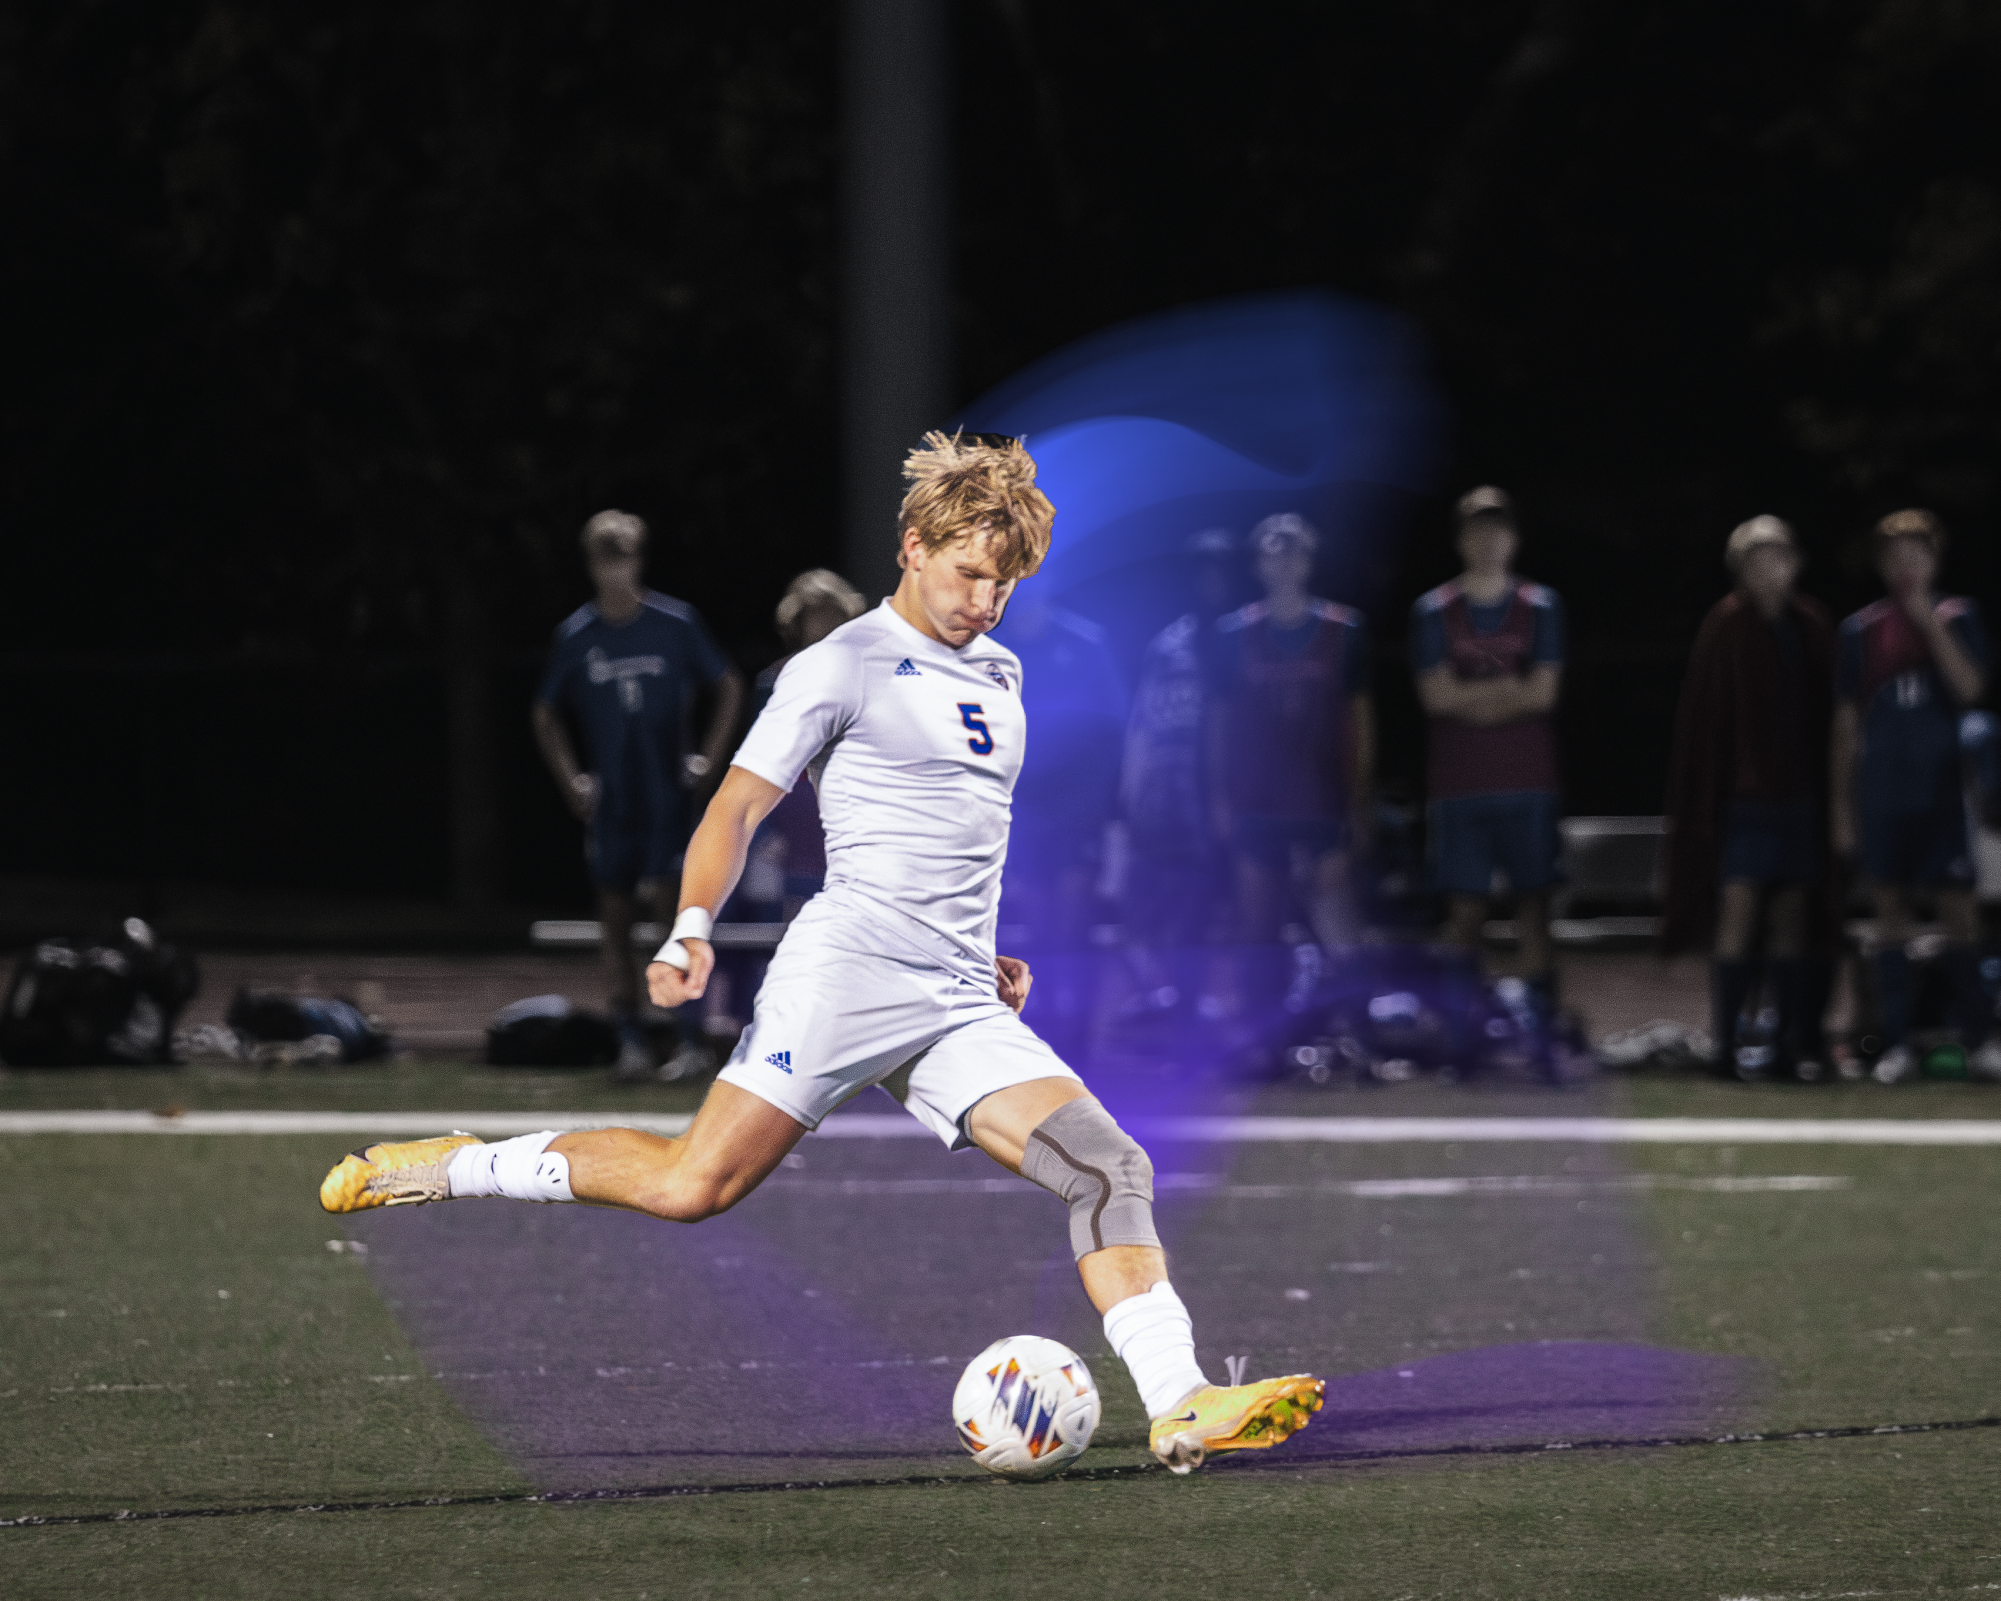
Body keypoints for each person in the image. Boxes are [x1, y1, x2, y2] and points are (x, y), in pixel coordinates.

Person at [322, 432, 1324, 1474]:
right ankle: (449, 1164)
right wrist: (691, 928)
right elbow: (739, 804)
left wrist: (985, 951)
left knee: (1110, 1164)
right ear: (912, 545)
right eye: (969, 571)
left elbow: (956, 824)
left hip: (954, 992)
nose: (986, 598)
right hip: (847, 972)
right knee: (691, 1185)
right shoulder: (840, 662)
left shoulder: (1003, 667)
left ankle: (1182, 1400)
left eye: (1005, 580)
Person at [530, 510, 744, 1074]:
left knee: (673, 915)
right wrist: (572, 778)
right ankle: (630, 1038)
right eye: (605, 556)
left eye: (623, 555)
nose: (615, 568)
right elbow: (546, 712)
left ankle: (688, 1038)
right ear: (592, 565)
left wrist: (708, 759)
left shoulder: (675, 625)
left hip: (666, 796)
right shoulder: (579, 637)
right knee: (615, 918)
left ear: (638, 560)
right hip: (615, 802)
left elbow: (726, 684)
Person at [1661, 516, 1837, 1079]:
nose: (1769, 568)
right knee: (1737, 914)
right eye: (1756, 558)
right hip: (1744, 802)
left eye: (1778, 556)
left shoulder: (1809, 624)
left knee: (1791, 917)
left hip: (1798, 799)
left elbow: (1827, 713)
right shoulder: (1727, 625)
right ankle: (1726, 1043)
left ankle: (1786, 1042)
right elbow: (1706, 721)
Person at [1832, 508, 1997, 1084]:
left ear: (1935, 560)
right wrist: (1843, 808)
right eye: (1895, 555)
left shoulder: (1958, 617)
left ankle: (1980, 1039)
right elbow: (1848, 725)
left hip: (1944, 795)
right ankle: (1896, 1043)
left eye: (1917, 553)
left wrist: (1928, 622)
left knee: (1960, 915)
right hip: (1884, 796)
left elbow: (1972, 689)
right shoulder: (1860, 631)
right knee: (1891, 918)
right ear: (1879, 564)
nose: (1906, 564)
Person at [1208, 513, 1374, 1014]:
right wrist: (1218, 798)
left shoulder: (1344, 630)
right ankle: (1262, 1039)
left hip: (1322, 803)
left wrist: (1360, 803)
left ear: (1308, 562)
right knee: (1258, 929)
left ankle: (1350, 1031)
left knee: (1336, 929)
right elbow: (1218, 725)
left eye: (1294, 553)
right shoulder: (1233, 634)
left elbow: (1362, 725)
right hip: (1257, 804)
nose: (1283, 563)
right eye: (1273, 553)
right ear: (1260, 564)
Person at [1410, 487, 1564, 1006]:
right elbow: (1435, 697)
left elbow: (1543, 694)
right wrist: (1504, 693)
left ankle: (1539, 1027)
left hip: (1527, 784)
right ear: (1459, 540)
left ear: (1514, 539)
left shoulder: (1541, 606)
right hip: (1460, 786)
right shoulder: (1434, 611)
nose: (1488, 540)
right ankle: (1460, 1031)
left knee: (1533, 908)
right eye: (1476, 530)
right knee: (1465, 913)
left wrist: (1471, 697)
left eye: (1498, 529)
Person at [988, 587, 1128, 1058]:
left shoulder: (1087, 644)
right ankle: (1037, 1027)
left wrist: (1104, 808)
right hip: (1016, 812)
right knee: (1029, 925)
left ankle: (1082, 1034)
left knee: (1074, 921)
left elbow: (1113, 731)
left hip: (1077, 812)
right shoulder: (991, 647)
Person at [1117, 529, 1237, 1022]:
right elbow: (1144, 722)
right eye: (1202, 570)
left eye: (1220, 569)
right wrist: (1131, 794)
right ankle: (1174, 1002)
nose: (1211, 579)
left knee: (1214, 909)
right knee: (1157, 909)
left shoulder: (1244, 635)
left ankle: (1202, 1006)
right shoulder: (1170, 645)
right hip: (1171, 798)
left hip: (1231, 795)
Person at [738, 570, 870, 921]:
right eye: (816, 614)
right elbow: (757, 763)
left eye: (833, 613)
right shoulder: (775, 682)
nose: (825, 624)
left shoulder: (869, 676)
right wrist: (764, 829)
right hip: (791, 815)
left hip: (851, 809)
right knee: (789, 924)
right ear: (798, 620)